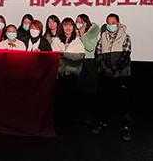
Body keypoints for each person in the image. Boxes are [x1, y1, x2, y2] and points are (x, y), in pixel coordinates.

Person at [94, 13, 133, 141]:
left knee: (123, 102)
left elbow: (125, 55)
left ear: (118, 24)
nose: (110, 25)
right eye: (108, 23)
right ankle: (102, 123)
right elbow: (99, 53)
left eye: (113, 23)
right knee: (104, 100)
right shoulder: (103, 37)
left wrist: (114, 68)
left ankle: (126, 127)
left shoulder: (125, 37)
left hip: (121, 75)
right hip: (105, 74)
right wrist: (105, 68)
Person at [51, 17, 86, 131]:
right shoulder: (56, 40)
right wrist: (61, 55)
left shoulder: (77, 40)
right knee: (59, 101)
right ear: (62, 27)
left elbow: (80, 56)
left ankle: (70, 126)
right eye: (65, 25)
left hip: (72, 75)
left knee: (71, 101)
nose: (68, 28)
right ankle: (59, 125)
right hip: (59, 75)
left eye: (70, 25)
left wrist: (64, 54)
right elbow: (53, 55)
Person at [76, 13, 100, 125]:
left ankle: (90, 117)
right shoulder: (76, 32)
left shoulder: (92, 32)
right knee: (79, 91)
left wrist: (83, 35)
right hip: (78, 62)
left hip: (89, 63)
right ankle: (80, 116)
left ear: (86, 23)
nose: (78, 24)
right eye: (77, 22)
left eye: (80, 22)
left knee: (89, 92)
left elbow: (90, 48)